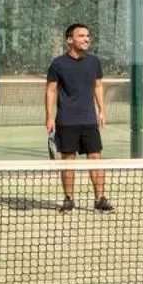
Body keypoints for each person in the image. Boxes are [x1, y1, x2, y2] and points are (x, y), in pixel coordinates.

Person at [46, 23, 111, 212]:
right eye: (81, 36)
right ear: (70, 40)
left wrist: (102, 110)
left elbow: (98, 86)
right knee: (68, 160)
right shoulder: (58, 64)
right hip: (67, 121)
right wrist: (49, 117)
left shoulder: (94, 62)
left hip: (89, 121)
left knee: (95, 158)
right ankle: (69, 199)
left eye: (88, 36)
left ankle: (100, 199)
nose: (86, 39)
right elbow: (50, 90)